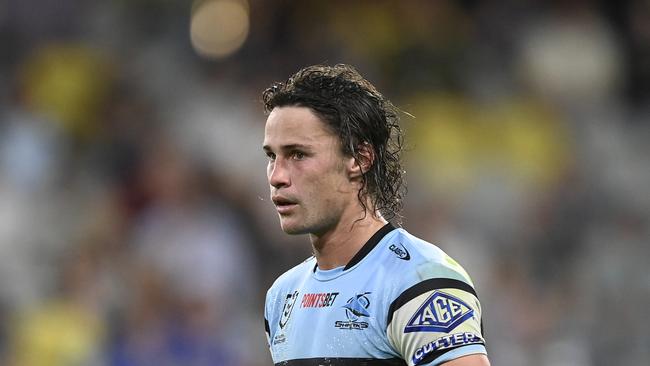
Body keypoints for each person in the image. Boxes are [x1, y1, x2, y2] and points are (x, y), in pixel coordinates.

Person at [261, 64, 489, 366]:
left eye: (298, 155)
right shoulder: (282, 297)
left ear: (360, 158)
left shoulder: (419, 282)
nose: (277, 176)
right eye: (271, 156)